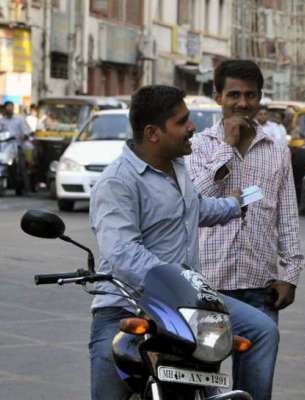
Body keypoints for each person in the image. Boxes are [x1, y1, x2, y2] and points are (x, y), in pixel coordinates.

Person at [89, 85, 279, 400]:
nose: (192, 128)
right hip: (127, 304)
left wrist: (234, 205)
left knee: (262, 331)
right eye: (182, 122)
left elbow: (193, 209)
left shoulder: (176, 166)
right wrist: (173, 284)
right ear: (152, 133)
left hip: (188, 303)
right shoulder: (117, 182)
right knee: (111, 383)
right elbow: (122, 252)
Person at [185, 60, 305, 396]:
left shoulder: (277, 151)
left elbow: (288, 217)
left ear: (260, 98)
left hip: (260, 287)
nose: (242, 103)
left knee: (254, 390)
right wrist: (228, 146)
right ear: (217, 96)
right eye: (233, 94)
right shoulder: (197, 146)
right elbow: (195, 202)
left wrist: (290, 274)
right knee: (202, 383)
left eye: (250, 95)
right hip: (208, 287)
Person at [1, 101, 32, 192]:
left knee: (21, 167)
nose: (9, 109)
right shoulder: (2, 120)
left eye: (11, 107)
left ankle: (25, 187)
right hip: (4, 147)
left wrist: (23, 136)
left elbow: (27, 132)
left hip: (17, 146)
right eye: (7, 107)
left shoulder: (20, 119)